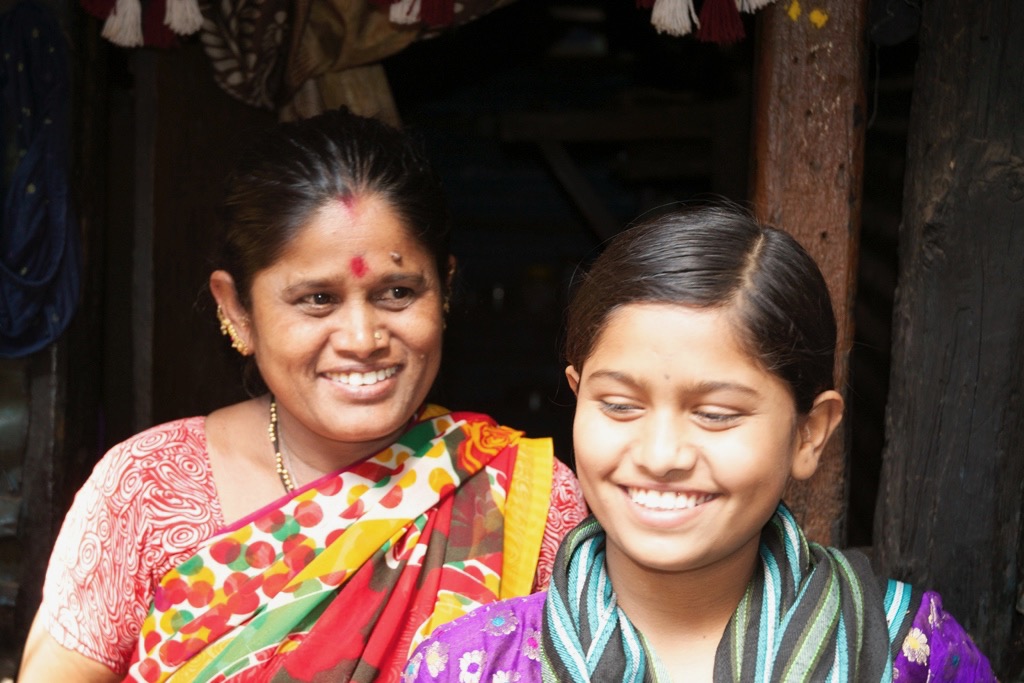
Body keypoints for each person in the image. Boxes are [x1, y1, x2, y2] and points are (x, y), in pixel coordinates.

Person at [18, 109, 587, 683]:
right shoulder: (146, 488)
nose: (363, 340)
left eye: (397, 291)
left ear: (445, 290)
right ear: (236, 310)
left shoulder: (526, 500)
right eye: (317, 299)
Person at [403, 204, 995, 682]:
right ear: (577, 399)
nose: (661, 456)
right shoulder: (467, 666)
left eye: (715, 414)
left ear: (809, 433)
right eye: (618, 406)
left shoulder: (911, 655)